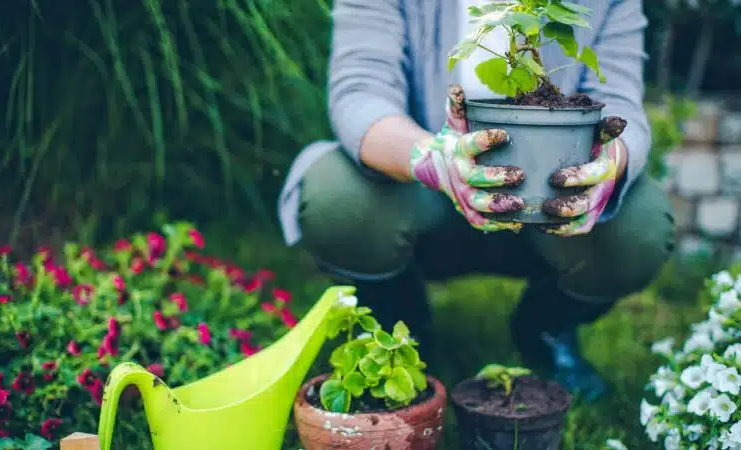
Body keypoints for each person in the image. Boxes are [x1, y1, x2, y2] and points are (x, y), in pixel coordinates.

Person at [277, 0, 675, 401]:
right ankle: (399, 320)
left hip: (551, 198)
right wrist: (435, 159)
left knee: (640, 226)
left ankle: (546, 326)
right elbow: (360, 92)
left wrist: (610, 162)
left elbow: (619, 99)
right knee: (337, 198)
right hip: (418, 193)